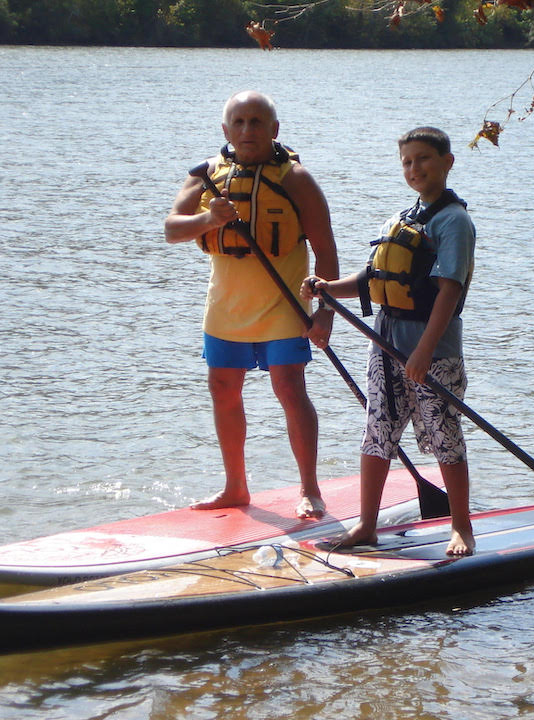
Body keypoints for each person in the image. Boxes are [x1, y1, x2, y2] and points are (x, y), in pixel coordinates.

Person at [302, 126, 476, 556]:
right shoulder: (403, 219)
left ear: (447, 163)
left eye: (424, 159)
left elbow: (449, 290)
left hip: (431, 349)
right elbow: (372, 281)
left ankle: (462, 528)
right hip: (384, 343)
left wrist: (422, 351)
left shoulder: (454, 222)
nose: (414, 168)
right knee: (378, 428)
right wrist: (326, 287)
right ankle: (366, 524)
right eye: (407, 162)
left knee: (443, 431)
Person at [164, 91, 338, 520]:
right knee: (223, 392)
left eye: (257, 122)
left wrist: (325, 314)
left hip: (284, 307)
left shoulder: (296, 179)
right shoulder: (205, 175)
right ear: (226, 130)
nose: (247, 130)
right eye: (239, 122)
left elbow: (327, 251)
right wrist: (209, 219)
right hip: (226, 309)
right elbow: (171, 229)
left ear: (274, 130)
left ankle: (310, 489)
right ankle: (235, 487)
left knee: (289, 390)